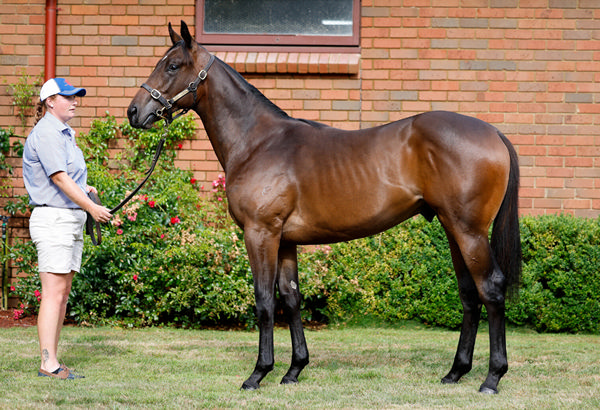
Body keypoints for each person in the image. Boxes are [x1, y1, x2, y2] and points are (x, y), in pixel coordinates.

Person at [22, 78, 112, 379]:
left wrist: (86, 190)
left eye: (76, 97)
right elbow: (59, 178)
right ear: (50, 101)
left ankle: (53, 360)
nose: (75, 102)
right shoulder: (47, 132)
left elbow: (66, 178)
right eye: (68, 97)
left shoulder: (64, 134)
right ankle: (48, 364)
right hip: (54, 220)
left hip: (67, 219)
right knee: (53, 293)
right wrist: (92, 208)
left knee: (62, 292)